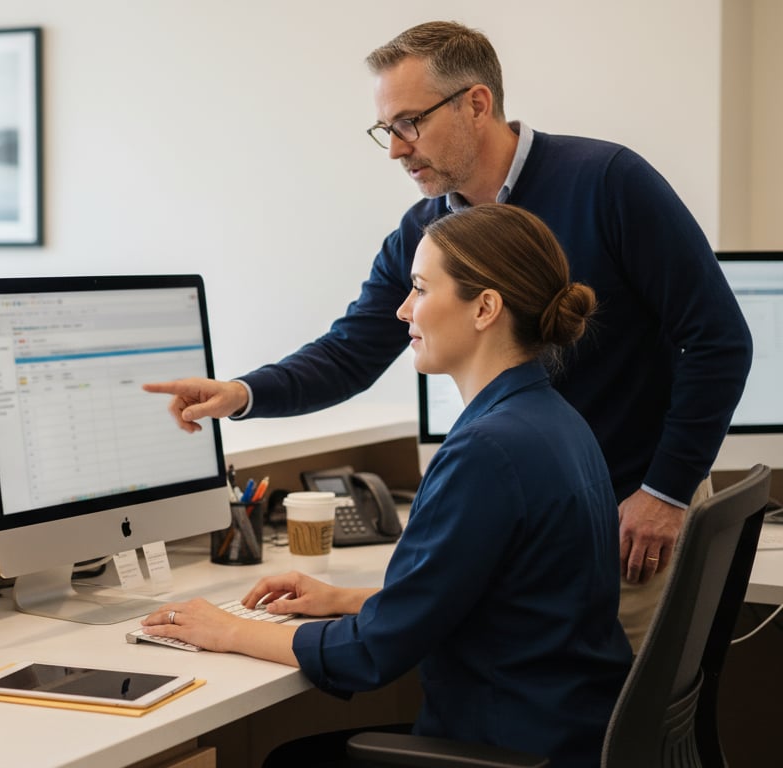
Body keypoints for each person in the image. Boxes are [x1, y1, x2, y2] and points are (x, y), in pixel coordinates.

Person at [144, 20, 751, 651]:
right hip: (538, 527)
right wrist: (241, 393)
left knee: (602, 728)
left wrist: (664, 493)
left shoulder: (608, 181)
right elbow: (353, 350)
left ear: (477, 104)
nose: (396, 149)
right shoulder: (426, 230)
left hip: (633, 520)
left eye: (410, 123)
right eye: (387, 129)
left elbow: (718, 340)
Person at [141, 203, 633, 767]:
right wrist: (346, 599)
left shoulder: (487, 450)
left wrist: (226, 630)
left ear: (485, 308)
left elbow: (372, 653)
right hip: (565, 731)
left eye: (421, 288)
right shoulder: (554, 420)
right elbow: (499, 600)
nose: (403, 310)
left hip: (505, 744)